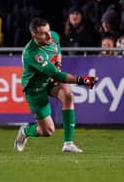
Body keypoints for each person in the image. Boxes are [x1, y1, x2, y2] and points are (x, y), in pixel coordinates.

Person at [14, 17, 98, 153]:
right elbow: (57, 76)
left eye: (48, 31)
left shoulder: (53, 36)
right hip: (35, 88)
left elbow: (57, 51)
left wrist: (58, 64)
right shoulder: (33, 54)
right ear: (34, 35)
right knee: (47, 131)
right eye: (43, 33)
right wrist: (84, 80)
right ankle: (25, 131)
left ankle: (68, 143)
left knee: (68, 95)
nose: (48, 35)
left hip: (49, 80)